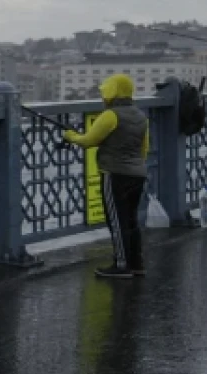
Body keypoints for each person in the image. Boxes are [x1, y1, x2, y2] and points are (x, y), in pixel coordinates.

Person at [63, 73, 149, 279]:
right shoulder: (140, 116)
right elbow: (145, 149)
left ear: (112, 92)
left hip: (115, 174)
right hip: (137, 174)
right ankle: (136, 263)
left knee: (116, 221)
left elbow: (88, 141)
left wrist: (70, 136)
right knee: (131, 220)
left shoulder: (111, 115)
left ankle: (121, 265)